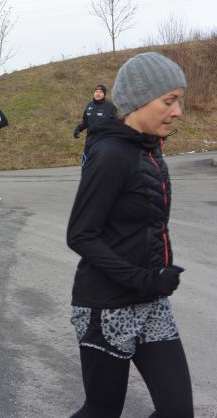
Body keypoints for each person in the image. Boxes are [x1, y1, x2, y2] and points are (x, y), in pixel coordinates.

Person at [67, 52, 193, 418]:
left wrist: (155, 275)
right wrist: (144, 277)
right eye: (169, 101)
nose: (177, 111)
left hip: (150, 302)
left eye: (179, 101)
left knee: (177, 412)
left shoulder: (149, 149)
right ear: (140, 100)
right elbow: (80, 235)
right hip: (105, 307)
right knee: (102, 411)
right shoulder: (111, 154)